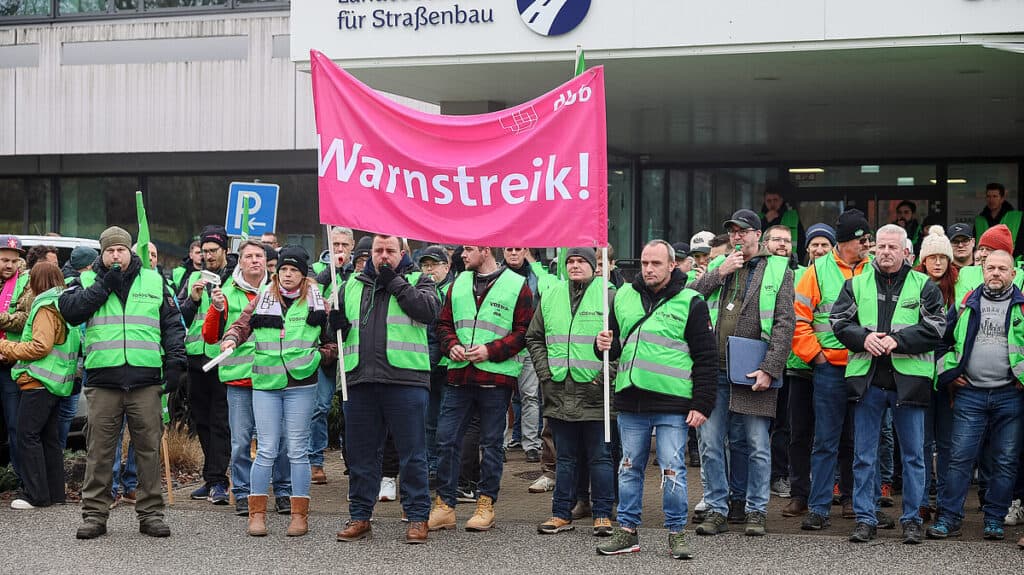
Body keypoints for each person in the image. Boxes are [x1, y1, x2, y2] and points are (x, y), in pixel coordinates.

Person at [60, 226, 187, 539]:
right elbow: (71, 312)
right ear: (102, 255)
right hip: (104, 381)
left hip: (144, 380)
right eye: (109, 250)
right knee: (100, 452)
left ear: (131, 251)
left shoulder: (155, 281)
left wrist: (175, 364)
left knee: (147, 450)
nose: (115, 255)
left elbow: (172, 326)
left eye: (121, 249)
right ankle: (94, 516)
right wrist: (103, 287)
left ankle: (151, 514)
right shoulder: (87, 280)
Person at [594, 240, 716, 559]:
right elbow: (613, 347)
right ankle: (627, 532)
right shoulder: (623, 296)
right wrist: (602, 343)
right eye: (645, 263)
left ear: (672, 266)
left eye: (656, 264)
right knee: (629, 467)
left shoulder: (692, 301)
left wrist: (702, 404)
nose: (648, 269)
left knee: (672, 468)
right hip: (631, 399)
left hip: (673, 403)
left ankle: (676, 533)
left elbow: (706, 357)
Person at [832, 224, 945, 545]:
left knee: (913, 457)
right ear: (873, 249)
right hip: (867, 383)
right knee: (864, 455)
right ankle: (866, 519)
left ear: (905, 252)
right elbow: (839, 322)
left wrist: (897, 340)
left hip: (909, 383)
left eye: (892, 247)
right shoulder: (854, 285)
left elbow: (937, 326)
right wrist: (864, 338)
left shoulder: (925, 286)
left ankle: (911, 520)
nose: (885, 252)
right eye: (880, 246)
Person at [689, 210, 795, 538]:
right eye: (733, 231)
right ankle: (718, 509)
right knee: (709, 442)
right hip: (714, 371)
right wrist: (719, 272)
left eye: (743, 231)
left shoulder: (777, 269)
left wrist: (770, 368)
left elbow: (784, 322)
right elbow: (690, 297)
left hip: (753, 371)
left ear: (757, 236)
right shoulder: (721, 266)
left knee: (756, 444)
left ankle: (756, 510)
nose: (737, 236)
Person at [220, 245, 337, 538]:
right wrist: (231, 339)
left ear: (303, 274)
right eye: (283, 269)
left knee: (297, 450)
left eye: (294, 270)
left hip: (301, 383)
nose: (287, 275)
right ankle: (256, 515)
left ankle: (299, 516)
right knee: (267, 449)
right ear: (277, 271)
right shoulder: (263, 297)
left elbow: (333, 341)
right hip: (266, 384)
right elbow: (240, 325)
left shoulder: (317, 302)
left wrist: (320, 357)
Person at [332, 235, 437, 543]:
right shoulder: (351, 285)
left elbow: (427, 312)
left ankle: (418, 517)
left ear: (403, 252)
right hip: (360, 379)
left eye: (390, 250)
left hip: (406, 379)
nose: (383, 256)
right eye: (378, 250)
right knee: (361, 455)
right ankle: (360, 516)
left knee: (412, 453)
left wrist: (394, 281)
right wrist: (333, 324)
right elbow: (336, 334)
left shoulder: (420, 280)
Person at [428, 245, 533, 533]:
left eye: (469, 250)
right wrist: (452, 346)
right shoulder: (459, 283)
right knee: (446, 439)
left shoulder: (517, 284)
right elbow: (443, 323)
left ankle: (485, 504)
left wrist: (490, 350)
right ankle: (445, 505)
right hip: (459, 376)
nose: (462, 255)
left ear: (485, 251)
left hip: (496, 380)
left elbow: (524, 331)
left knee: (490, 445)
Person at [930, 249, 1024, 542]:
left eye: (1002, 269)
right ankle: (949, 518)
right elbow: (942, 343)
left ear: (1013, 274)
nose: (995, 273)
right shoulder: (966, 302)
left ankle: (995, 519)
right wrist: (949, 373)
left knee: (1005, 461)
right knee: (959, 458)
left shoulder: (1022, 306)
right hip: (969, 392)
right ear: (983, 270)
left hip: (1010, 395)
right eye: (990, 267)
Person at [526, 248, 616, 537]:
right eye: (571, 262)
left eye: (581, 262)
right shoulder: (551, 294)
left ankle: (603, 513)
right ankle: (560, 513)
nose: (575, 266)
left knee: (600, 456)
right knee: (565, 457)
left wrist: (604, 378)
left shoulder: (611, 296)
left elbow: (624, 343)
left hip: (595, 391)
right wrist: (545, 374)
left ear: (594, 266)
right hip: (559, 389)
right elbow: (534, 337)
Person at [793, 209, 872, 530]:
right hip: (829, 369)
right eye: (862, 239)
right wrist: (818, 357)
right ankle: (820, 508)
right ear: (846, 241)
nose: (868, 245)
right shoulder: (816, 270)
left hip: (866, 367)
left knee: (862, 441)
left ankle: (856, 501)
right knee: (826, 440)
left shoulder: (874, 268)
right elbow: (800, 319)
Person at [203, 239, 292, 517]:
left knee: (279, 441)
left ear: (267, 262)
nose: (254, 260)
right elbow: (211, 336)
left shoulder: (282, 291)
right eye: (249, 256)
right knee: (241, 441)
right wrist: (216, 309)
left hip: (274, 380)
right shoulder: (225, 292)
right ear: (239, 261)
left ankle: (284, 491)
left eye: (259, 256)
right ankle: (242, 492)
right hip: (240, 380)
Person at [1, 262, 79, 509]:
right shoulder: (64, 304)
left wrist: (5, 347)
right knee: (49, 439)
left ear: (36, 281)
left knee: (27, 436)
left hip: (38, 381)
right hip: (56, 383)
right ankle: (55, 494)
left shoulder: (45, 306)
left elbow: (40, 346)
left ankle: (36, 495)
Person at [178, 225, 236, 505]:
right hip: (195, 358)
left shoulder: (234, 278)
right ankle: (211, 477)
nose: (208, 256)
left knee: (219, 421)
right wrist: (193, 299)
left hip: (222, 358)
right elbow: (179, 318)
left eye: (213, 251)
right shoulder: (192, 278)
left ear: (225, 250)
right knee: (201, 420)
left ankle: (218, 480)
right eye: (204, 252)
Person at [783, 223, 836, 518]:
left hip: (833, 366)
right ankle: (799, 493)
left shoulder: (839, 275)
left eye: (824, 245)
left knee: (835, 436)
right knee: (799, 434)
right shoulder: (797, 277)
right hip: (800, 368)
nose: (818, 249)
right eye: (814, 245)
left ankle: (833, 492)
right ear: (807, 250)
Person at [913, 226, 959, 522]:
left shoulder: (960, 290)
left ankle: (944, 500)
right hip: (917, 376)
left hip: (949, 380)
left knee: (947, 443)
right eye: (933, 257)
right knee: (920, 442)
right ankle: (921, 500)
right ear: (924, 260)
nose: (938, 262)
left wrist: (949, 370)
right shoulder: (913, 285)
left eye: (943, 257)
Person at [309, 226, 355, 485]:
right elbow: (312, 289)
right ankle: (316, 461)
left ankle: (353, 461)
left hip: (350, 347)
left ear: (352, 245)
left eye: (343, 246)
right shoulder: (317, 270)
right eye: (334, 245)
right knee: (321, 406)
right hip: (326, 348)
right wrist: (332, 270)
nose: (339, 250)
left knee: (352, 407)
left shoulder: (360, 268)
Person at [501, 246, 543, 463]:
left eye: (519, 249)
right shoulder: (497, 276)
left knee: (530, 396)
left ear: (525, 251)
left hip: (528, 345)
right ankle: (499, 445)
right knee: (501, 397)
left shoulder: (536, 276)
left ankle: (531, 445)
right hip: (505, 346)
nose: (514, 253)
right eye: (510, 249)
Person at [418, 245, 453, 483]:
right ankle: (432, 467)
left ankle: (448, 468)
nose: (429, 270)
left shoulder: (456, 290)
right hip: (427, 366)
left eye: (434, 265)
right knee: (429, 422)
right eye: (425, 265)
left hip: (449, 366)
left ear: (446, 266)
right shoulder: (419, 291)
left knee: (448, 422)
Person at [0, 235, 33, 485]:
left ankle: (23, 480)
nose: (8, 265)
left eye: (13, 260)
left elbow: (24, 318)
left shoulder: (26, 283)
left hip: (9, 362)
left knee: (15, 424)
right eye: (3, 260)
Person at [975, 182, 1024, 256]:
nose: (991, 200)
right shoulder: (979, 219)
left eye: (995, 196)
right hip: (984, 262)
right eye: (988, 196)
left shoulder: (1017, 217)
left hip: (1011, 261)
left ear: (1002, 199)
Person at [761, 186, 806, 262]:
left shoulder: (792, 216)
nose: (772, 204)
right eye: (769, 201)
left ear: (781, 200)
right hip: (765, 261)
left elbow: (802, 242)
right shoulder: (760, 218)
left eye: (775, 200)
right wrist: (765, 221)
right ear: (764, 202)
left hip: (790, 261)